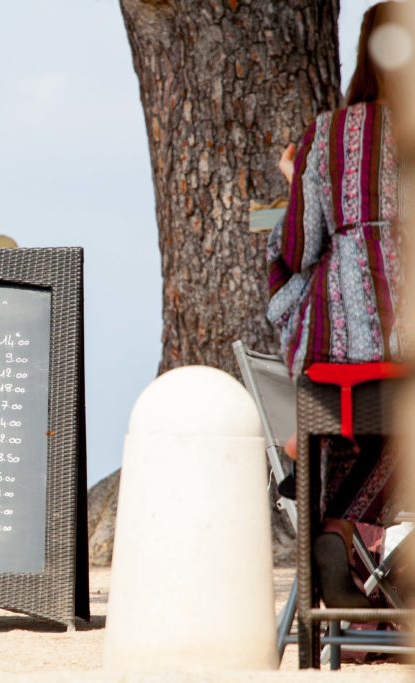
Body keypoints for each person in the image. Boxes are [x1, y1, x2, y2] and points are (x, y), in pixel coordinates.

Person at [267, 2, 405, 608]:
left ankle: (334, 532)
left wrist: (296, 182)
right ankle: (348, 534)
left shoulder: (328, 132)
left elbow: (298, 249)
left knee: (348, 431)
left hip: (339, 351)